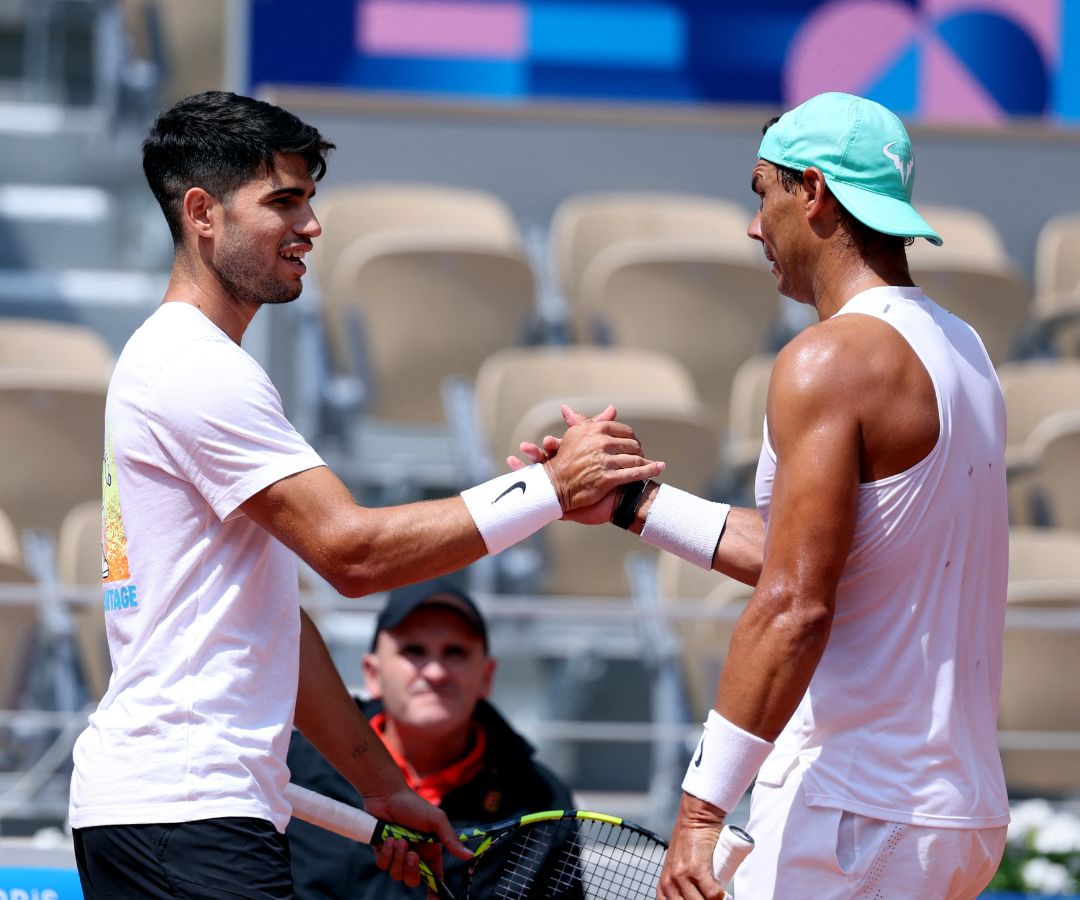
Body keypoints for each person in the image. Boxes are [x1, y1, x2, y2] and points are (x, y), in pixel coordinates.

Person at [68, 90, 664, 899]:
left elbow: (278, 631)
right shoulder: (196, 367)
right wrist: (551, 488)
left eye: (309, 201)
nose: (311, 225)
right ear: (202, 213)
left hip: (179, 811)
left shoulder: (181, 361)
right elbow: (352, 553)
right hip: (188, 814)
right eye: (284, 202)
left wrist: (383, 788)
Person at [515, 92, 1010, 898]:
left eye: (761, 192)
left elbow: (794, 602)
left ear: (812, 192)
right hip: (951, 814)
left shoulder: (830, 359)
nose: (754, 226)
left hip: (858, 813)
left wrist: (700, 814)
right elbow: (830, 557)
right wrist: (634, 505)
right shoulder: (965, 347)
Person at [286, 579, 576, 898]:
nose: (436, 673)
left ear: (487, 676)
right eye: (413, 651)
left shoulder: (541, 797)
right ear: (372, 673)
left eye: (455, 652)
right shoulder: (289, 766)